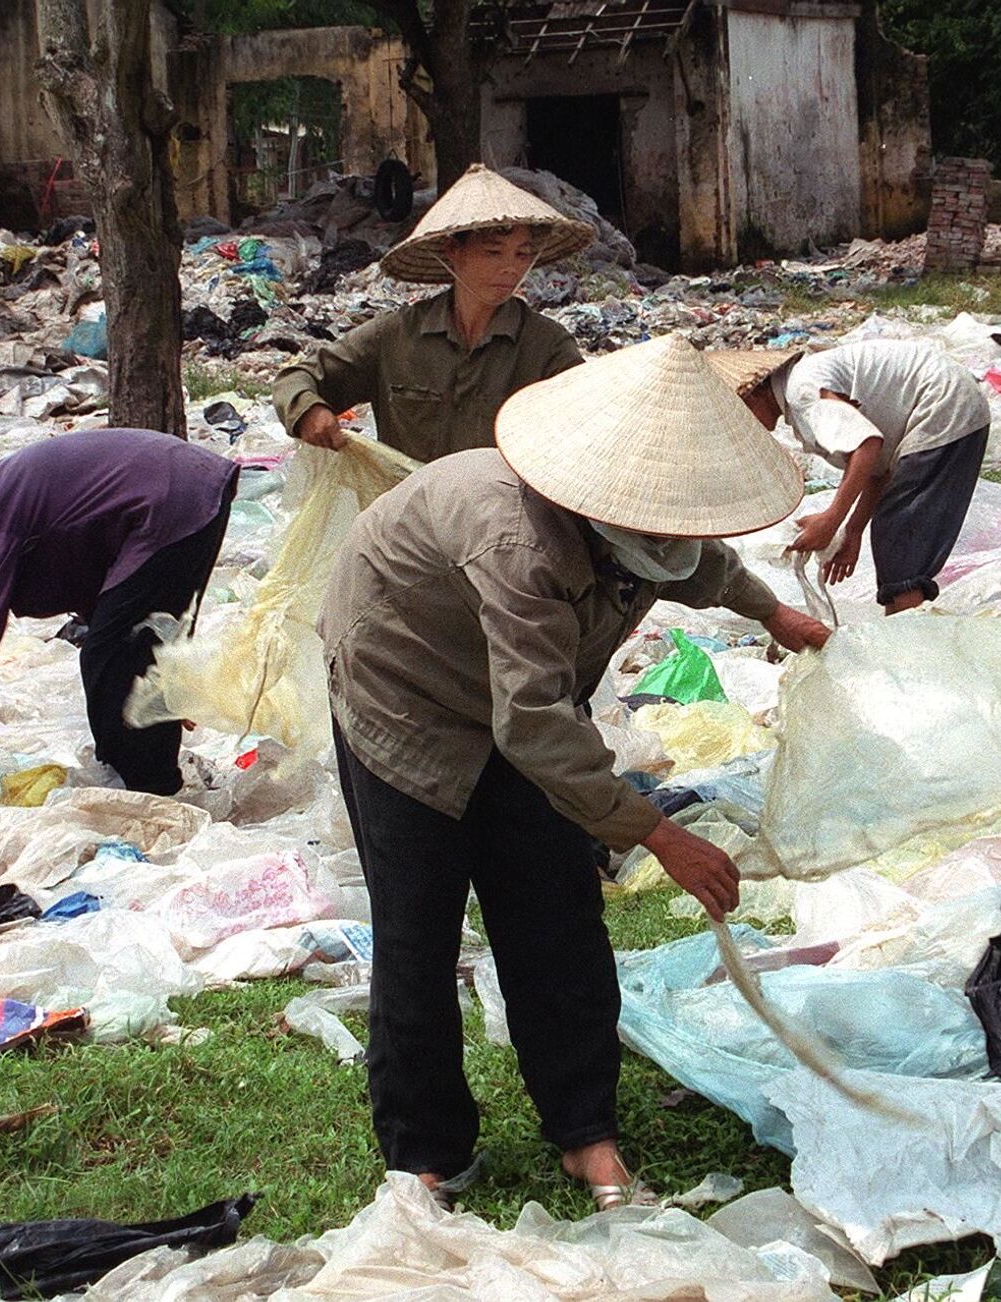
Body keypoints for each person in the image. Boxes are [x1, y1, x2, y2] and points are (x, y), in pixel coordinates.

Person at [319, 335, 830, 1212]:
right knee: (419, 927)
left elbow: (695, 563)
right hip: (406, 692)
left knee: (557, 918)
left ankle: (584, 1132)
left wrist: (774, 611)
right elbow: (534, 724)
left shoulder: (651, 527)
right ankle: (428, 1151)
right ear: (602, 501)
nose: (680, 533)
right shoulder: (517, 538)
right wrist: (657, 833)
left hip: (528, 705)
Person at [0, 428, 239, 807]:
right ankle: (139, 779)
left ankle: (155, 796)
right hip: (184, 486)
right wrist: (168, 683)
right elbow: (100, 582)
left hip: (171, 499)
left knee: (111, 659)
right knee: (120, 651)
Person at [272, 164, 590, 464]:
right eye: (493, 252)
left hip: (500, 516)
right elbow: (296, 379)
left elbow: (588, 422)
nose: (510, 268)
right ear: (452, 251)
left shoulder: (547, 347)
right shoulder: (395, 336)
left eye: (522, 254)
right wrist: (308, 410)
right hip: (411, 515)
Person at [713, 339, 991, 613]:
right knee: (896, 541)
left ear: (754, 394)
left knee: (900, 542)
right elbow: (876, 467)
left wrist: (831, 520)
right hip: (950, 400)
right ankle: (904, 636)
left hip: (943, 404)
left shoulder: (802, 393)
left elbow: (867, 446)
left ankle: (905, 647)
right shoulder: (802, 386)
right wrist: (853, 530)